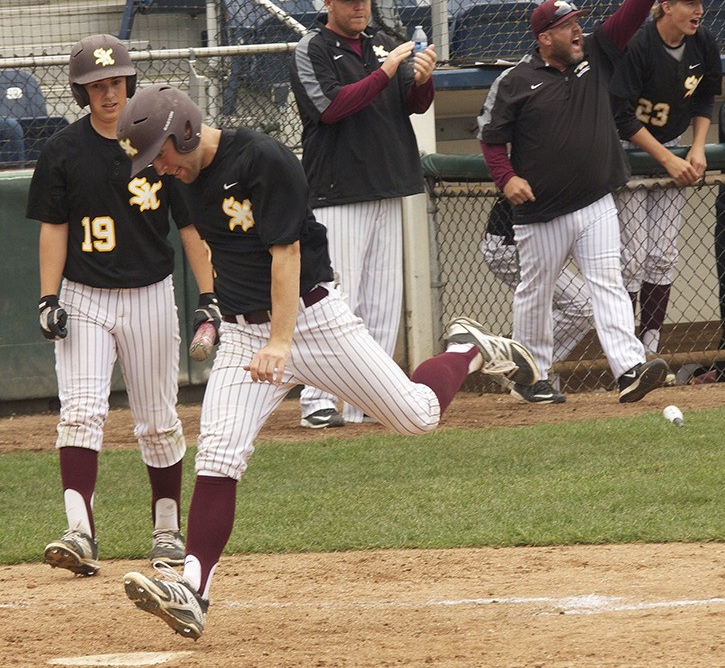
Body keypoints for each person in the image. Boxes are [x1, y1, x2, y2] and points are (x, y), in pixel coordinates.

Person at [114, 84, 539, 640]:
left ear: (186, 130)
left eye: (160, 154)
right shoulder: (185, 182)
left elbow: (285, 254)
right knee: (217, 456)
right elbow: (212, 248)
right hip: (247, 337)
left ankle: (468, 348)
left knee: (417, 417)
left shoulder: (262, 158)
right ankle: (194, 590)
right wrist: (222, 309)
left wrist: (283, 342)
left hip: (313, 322)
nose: (159, 169)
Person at [25, 35, 218, 577]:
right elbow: (53, 229)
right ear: (81, 92)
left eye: (116, 83)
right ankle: (79, 532)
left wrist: (209, 296)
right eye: (96, 86)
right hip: (85, 297)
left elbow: (190, 228)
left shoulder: (157, 140)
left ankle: (166, 529)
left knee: (157, 420)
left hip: (151, 294)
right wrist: (48, 297)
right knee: (81, 412)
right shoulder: (63, 151)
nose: (109, 94)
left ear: (129, 84)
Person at [477, 0, 677, 405]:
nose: (576, 31)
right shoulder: (514, 81)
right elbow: (491, 139)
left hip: (594, 202)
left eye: (577, 23)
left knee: (607, 283)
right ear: (544, 38)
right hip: (540, 211)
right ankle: (534, 376)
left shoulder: (595, 58)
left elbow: (625, 22)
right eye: (567, 26)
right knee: (536, 293)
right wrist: (506, 178)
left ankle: (628, 369)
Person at [289, 0, 438, 429]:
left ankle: (366, 402)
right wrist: (389, 68)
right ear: (328, 4)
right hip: (338, 192)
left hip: (388, 183)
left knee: (381, 303)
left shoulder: (380, 43)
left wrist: (421, 80)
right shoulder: (310, 49)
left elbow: (411, 105)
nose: (359, 6)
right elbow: (331, 108)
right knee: (334, 300)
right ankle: (316, 400)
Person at [610, 0, 722, 355]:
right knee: (632, 258)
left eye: (701, 3)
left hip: (674, 143)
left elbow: (707, 94)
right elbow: (620, 115)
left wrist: (697, 146)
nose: (699, 10)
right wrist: (667, 160)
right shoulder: (639, 43)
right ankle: (625, 350)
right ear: (666, 6)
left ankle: (650, 345)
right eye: (691, 4)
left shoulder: (702, 41)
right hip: (631, 149)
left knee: (662, 254)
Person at [482, 196, 594, 400]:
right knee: (581, 304)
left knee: (580, 304)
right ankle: (520, 367)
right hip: (510, 246)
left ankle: (523, 369)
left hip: (529, 242)